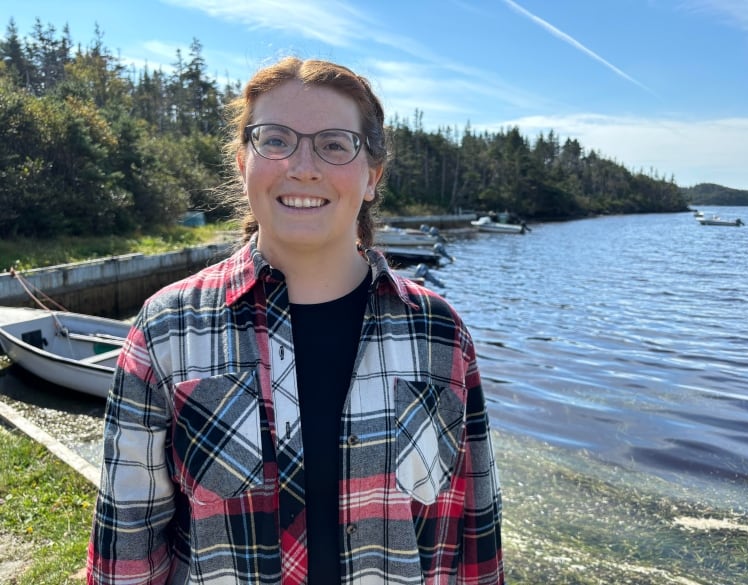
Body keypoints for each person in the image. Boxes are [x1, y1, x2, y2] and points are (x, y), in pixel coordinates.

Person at [87, 56, 503, 585]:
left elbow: (475, 538)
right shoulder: (166, 331)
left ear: (371, 176)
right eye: (276, 139)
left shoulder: (440, 334)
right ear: (243, 165)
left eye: (333, 144)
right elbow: (128, 546)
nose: (303, 166)